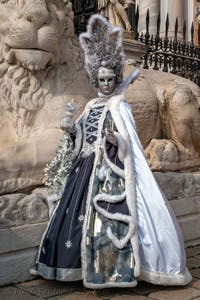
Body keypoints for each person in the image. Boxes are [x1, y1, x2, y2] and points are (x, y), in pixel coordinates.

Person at [31, 14, 192, 289]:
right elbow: (79, 139)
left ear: (115, 79)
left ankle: (113, 268)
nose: (105, 84)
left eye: (109, 79)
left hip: (111, 169)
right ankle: (74, 266)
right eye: (101, 79)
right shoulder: (91, 105)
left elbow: (130, 143)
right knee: (72, 222)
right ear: (96, 79)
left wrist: (114, 137)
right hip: (84, 169)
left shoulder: (120, 106)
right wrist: (70, 128)